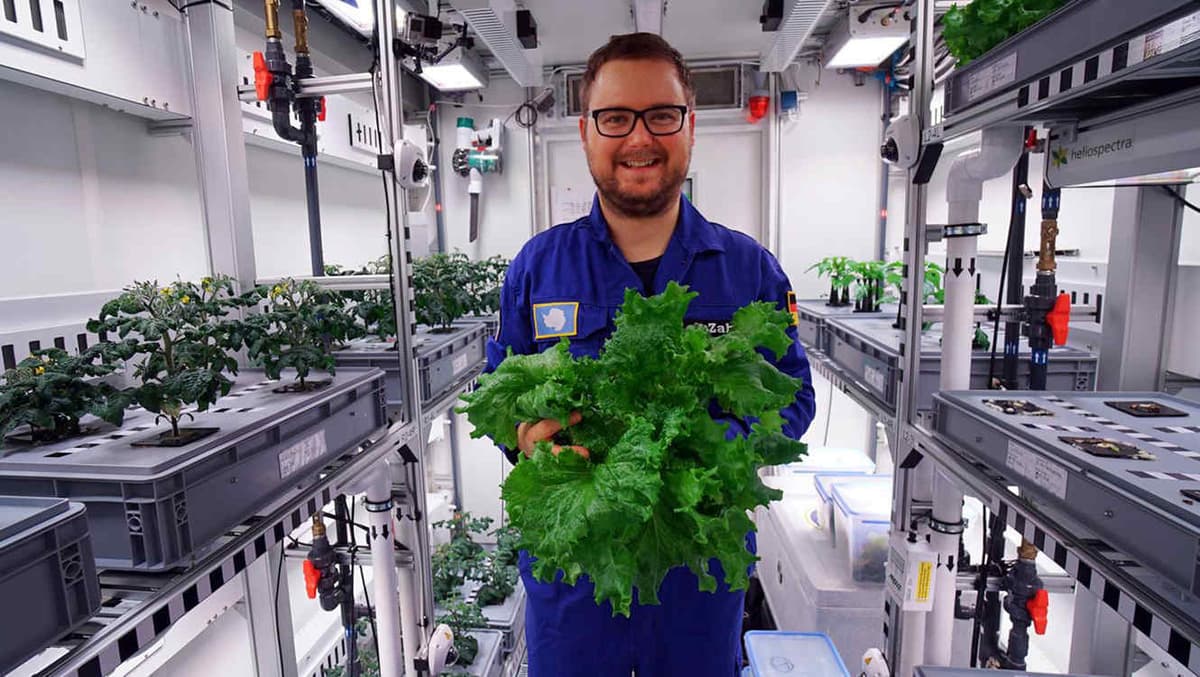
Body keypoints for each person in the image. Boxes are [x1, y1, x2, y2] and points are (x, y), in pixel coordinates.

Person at [485, 32, 817, 677]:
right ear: (586, 131)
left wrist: (710, 446)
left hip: (698, 561)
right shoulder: (538, 266)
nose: (639, 138)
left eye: (661, 115)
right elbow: (501, 394)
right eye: (615, 117)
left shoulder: (748, 268)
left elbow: (793, 399)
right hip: (578, 565)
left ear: (690, 127)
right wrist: (528, 436)